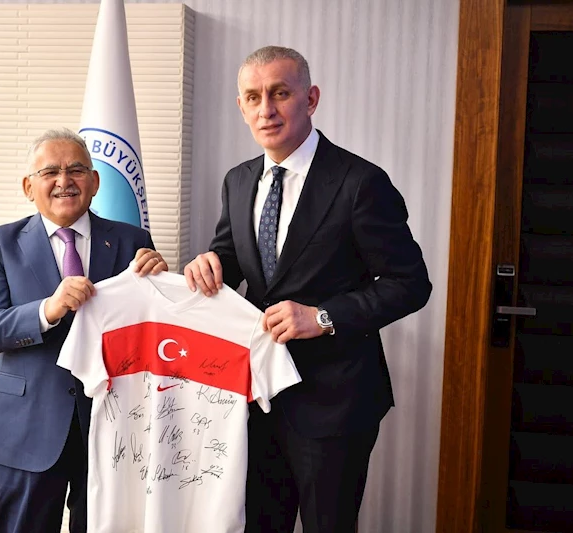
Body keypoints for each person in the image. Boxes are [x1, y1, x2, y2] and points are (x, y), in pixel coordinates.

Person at [184, 46, 432, 533]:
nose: (266, 110)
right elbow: (230, 259)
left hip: (335, 402)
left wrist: (322, 317)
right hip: (254, 397)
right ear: (241, 107)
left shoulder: (360, 182)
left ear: (311, 98)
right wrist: (206, 265)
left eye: (280, 93)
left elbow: (410, 284)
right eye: (253, 97)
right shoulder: (238, 181)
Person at [0, 127, 167, 533]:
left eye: (76, 170)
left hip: (112, 430)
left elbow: (152, 332)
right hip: (26, 430)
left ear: (94, 182)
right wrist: (48, 309)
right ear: (29, 187)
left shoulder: (133, 241)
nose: (64, 181)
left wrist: (162, 287)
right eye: (50, 172)